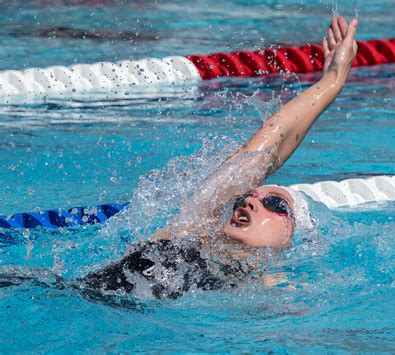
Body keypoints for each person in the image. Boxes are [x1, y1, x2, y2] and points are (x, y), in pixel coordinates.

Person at [2, 17, 358, 302]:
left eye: (275, 203)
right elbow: (266, 149)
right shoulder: (192, 230)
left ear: (292, 234)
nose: (251, 197)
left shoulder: (267, 294)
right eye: (250, 195)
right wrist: (332, 82)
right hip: (45, 293)